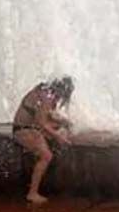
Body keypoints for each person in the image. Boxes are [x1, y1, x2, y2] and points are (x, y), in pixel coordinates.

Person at [11, 76, 74, 204]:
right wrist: (59, 137)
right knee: (47, 156)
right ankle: (32, 193)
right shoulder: (47, 96)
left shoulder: (45, 91)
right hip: (23, 130)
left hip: (31, 126)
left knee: (63, 125)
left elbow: (44, 116)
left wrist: (62, 122)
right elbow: (41, 123)